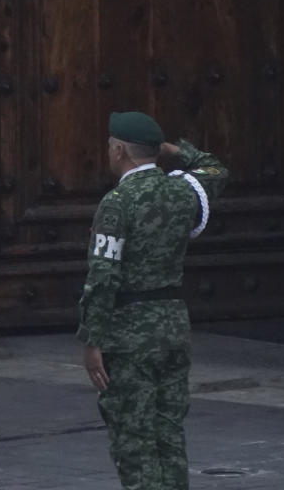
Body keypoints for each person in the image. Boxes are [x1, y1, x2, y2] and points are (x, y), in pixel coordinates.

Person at [79, 112, 228, 490]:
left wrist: (92, 338)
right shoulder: (183, 191)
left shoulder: (118, 202)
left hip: (130, 334)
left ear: (119, 152)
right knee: (168, 432)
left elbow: (103, 277)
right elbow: (214, 168)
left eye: (111, 146)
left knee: (134, 437)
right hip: (173, 325)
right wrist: (173, 150)